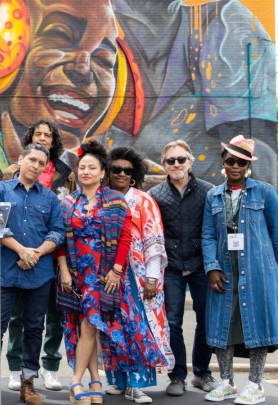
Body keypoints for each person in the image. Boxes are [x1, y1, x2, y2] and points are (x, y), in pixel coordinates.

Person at [56, 140, 166, 405]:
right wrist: (64, 272)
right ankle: (95, 379)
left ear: (102, 172)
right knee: (87, 329)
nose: (85, 172)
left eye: (91, 168)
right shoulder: (68, 202)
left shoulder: (115, 200)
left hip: (104, 275)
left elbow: (125, 237)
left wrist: (117, 270)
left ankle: (75, 382)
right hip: (77, 275)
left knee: (90, 325)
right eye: (82, 167)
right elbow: (59, 241)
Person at [0, 143, 63, 405]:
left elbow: (56, 232)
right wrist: (22, 250)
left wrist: (35, 253)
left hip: (39, 274)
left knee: (35, 328)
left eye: (41, 163)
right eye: (31, 160)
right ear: (20, 159)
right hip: (4, 273)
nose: (35, 166)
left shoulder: (49, 197)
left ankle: (28, 383)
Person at [202, 135, 278, 404]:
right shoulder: (213, 195)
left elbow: (276, 234)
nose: (235, 166)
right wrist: (211, 266)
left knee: (256, 324)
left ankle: (255, 385)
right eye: (231, 160)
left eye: (242, 162)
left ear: (248, 166)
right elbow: (208, 235)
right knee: (223, 324)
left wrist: (274, 272)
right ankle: (227, 382)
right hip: (224, 270)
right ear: (223, 162)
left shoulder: (265, 192)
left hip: (258, 270)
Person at [3, 120, 74, 391]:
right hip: (18, 255)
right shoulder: (11, 173)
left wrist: (45, 250)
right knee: (18, 317)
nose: (43, 138)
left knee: (54, 315)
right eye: (38, 134)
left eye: (48, 135)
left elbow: (64, 216)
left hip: (55, 253)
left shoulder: (66, 172)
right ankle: (15, 366)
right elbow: (4, 214)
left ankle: (50, 366)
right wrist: (23, 252)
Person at [148, 140, 218, 396]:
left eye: (181, 159)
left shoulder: (209, 191)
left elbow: (216, 231)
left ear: (190, 161)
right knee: (173, 322)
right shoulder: (155, 195)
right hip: (171, 268)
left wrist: (215, 265)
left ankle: (202, 373)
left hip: (201, 266)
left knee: (207, 321)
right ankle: (177, 376)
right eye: (170, 160)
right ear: (164, 164)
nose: (176, 164)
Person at [106, 146, 174, 403]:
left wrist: (152, 278)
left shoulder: (144, 200)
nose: (122, 173)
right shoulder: (103, 197)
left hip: (139, 277)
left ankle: (137, 383)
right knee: (115, 328)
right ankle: (119, 380)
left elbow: (154, 241)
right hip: (110, 276)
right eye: (116, 169)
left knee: (139, 328)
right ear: (108, 171)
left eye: (127, 170)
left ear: (134, 174)